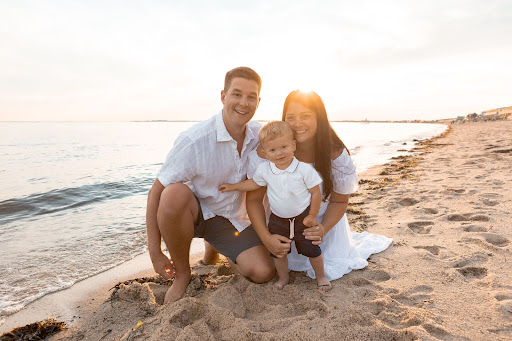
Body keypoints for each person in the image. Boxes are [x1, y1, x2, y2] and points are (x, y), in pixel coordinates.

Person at [146, 67, 276, 304]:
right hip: (195, 214)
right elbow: (155, 192)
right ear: (223, 96)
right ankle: (183, 276)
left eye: (251, 97)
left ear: (259, 101)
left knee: (263, 272)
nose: (243, 103)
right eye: (236, 94)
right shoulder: (194, 140)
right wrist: (154, 251)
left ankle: (220, 249)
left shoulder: (261, 135)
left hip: (233, 219)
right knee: (172, 194)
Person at [246, 90, 393, 282]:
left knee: (330, 259)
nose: (297, 123)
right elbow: (254, 201)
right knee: (263, 266)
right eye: (291, 117)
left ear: (319, 118)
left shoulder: (334, 154)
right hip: (279, 227)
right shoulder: (270, 153)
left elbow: (340, 201)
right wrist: (266, 238)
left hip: (322, 228)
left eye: (306, 116)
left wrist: (322, 229)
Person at [219, 121, 331, 291]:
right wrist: (233, 187)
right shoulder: (265, 170)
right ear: (264, 152)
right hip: (278, 220)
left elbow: (316, 193)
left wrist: (312, 216)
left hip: (302, 217)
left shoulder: (303, 169)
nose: (279, 153)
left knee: (312, 248)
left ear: (293, 145)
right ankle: (284, 277)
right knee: (279, 252)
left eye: (283, 147)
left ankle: (321, 276)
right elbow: (253, 184)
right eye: (272, 150)